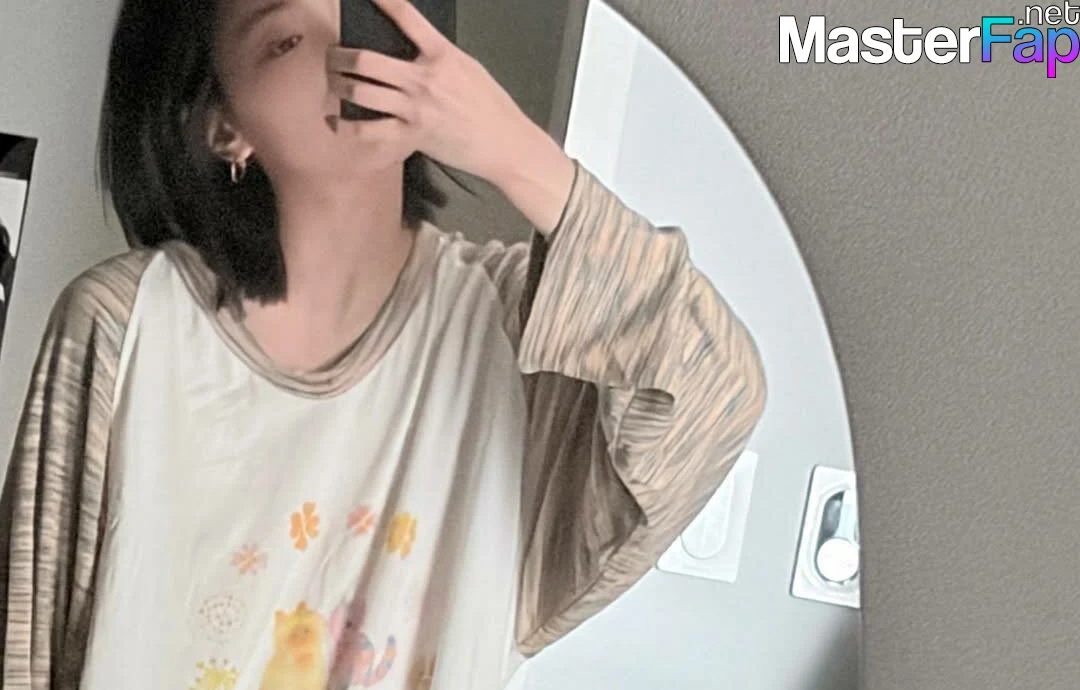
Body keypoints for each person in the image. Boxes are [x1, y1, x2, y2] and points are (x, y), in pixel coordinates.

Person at [0, 0, 768, 687]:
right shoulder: (127, 321)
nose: (350, 54)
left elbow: (717, 391)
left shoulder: (519, 337)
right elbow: (23, 644)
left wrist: (514, 150)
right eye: (286, 38)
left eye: (363, 9)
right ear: (222, 126)